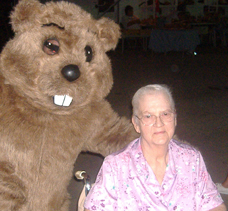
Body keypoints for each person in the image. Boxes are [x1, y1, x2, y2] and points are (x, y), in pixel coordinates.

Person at [84, 84, 226, 211]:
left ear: (175, 118)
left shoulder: (191, 159)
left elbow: (212, 203)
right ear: (136, 124)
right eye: (148, 116)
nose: (159, 123)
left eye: (165, 114)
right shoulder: (116, 166)